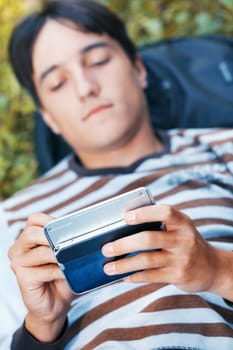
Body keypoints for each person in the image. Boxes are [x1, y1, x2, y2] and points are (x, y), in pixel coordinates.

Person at [1, 0, 232, 348]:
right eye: (58, 82)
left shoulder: (224, 149)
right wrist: (42, 325)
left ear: (139, 68)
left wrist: (218, 270)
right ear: (47, 116)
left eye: (97, 61)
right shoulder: (14, 223)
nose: (85, 87)